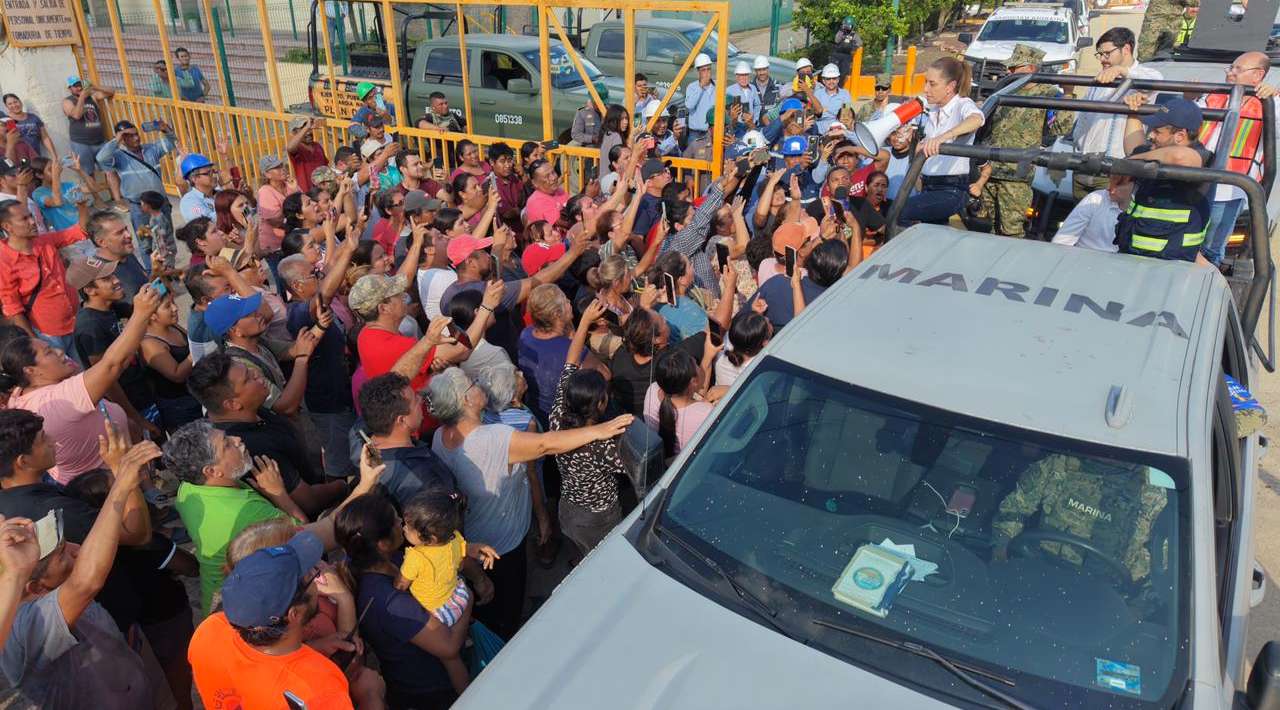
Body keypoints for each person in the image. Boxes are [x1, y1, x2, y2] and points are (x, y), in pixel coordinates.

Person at [0, 414, 198, 708]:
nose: (79, 551)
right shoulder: (32, 624)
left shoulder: (20, 510)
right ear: (36, 587)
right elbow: (103, 566)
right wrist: (121, 477)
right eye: (62, 555)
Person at [428, 367, 632, 638]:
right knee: (507, 608)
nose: (479, 384)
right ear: (466, 400)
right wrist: (599, 430)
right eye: (472, 384)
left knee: (492, 605)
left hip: (474, 537)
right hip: (502, 547)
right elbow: (545, 445)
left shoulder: (440, 436)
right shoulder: (494, 438)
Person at [187, 530, 378, 709]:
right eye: (311, 576)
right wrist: (370, 696)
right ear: (294, 614)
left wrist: (315, 648)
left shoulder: (208, 630)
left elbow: (257, 667)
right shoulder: (319, 687)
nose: (315, 575)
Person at [336, 493, 470, 708]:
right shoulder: (390, 602)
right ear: (382, 544)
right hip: (429, 690)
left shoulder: (392, 561)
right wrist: (466, 597)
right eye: (396, 520)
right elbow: (448, 647)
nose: (402, 522)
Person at [186, 350, 350, 519]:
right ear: (233, 404)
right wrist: (343, 486)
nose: (257, 374)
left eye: (250, 370)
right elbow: (308, 501)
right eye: (248, 379)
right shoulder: (246, 447)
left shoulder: (249, 409)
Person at [992, 453, 1168, 583]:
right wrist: (1001, 550)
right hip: (1038, 573)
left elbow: (1160, 567)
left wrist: (1135, 602)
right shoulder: (1058, 466)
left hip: (1102, 597)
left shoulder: (1152, 498)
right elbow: (1014, 509)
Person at [551, 300, 632, 558]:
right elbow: (636, 467)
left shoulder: (558, 414)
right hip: (600, 515)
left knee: (578, 553)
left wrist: (585, 321)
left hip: (568, 506)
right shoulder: (604, 444)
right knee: (602, 559)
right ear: (600, 403)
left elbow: (571, 361)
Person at [396, 489, 498, 694]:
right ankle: (464, 639)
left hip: (439, 612)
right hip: (458, 596)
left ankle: (466, 695)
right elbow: (466, 552)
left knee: (450, 659)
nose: (403, 528)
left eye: (408, 527)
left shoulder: (416, 558)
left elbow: (400, 585)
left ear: (429, 537)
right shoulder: (454, 538)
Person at [976, 44, 1073, 239]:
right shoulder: (1006, 88)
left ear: (1031, 68)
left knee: (1011, 231)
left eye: (1014, 68)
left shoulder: (1048, 94)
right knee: (986, 228)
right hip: (989, 169)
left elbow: (1061, 128)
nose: (1008, 72)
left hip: (1016, 174)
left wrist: (1069, 95)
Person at [441, 228, 585, 359]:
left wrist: (498, 246)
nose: (487, 255)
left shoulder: (447, 295)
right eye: (483, 253)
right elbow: (538, 281)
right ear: (471, 262)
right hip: (503, 359)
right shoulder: (488, 293)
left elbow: (494, 276)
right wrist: (573, 252)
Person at [1193, 51, 1275, 264]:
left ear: (1258, 75)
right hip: (1197, 181)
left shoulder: (1269, 103)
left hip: (1230, 190)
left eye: (1237, 69)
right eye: (1230, 68)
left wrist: (1272, 97)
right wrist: (1187, 97)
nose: (1230, 73)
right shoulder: (1213, 95)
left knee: (1211, 248)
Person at [1115, 95, 1213, 262]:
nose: (1150, 135)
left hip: (1173, 264)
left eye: (1157, 131)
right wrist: (1133, 112)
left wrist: (1129, 162)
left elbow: (1181, 157)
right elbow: (1134, 148)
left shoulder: (1200, 155)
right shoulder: (1155, 151)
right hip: (1134, 255)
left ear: (1180, 136)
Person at [1070, 28, 1163, 199]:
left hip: (1115, 171)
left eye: (1107, 54)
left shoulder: (1141, 76)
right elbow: (1083, 119)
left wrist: (1122, 71)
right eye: (1100, 55)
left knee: (1110, 221)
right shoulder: (1099, 80)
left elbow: (1155, 80)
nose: (1103, 60)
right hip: (1083, 167)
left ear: (1126, 49)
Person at [68, 254, 156, 433]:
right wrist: (136, 419)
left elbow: (147, 311)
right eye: (107, 279)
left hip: (144, 391)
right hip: (132, 405)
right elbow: (108, 381)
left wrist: (156, 275)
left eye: (114, 275)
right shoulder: (89, 327)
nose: (117, 280)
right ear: (90, 290)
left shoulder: (112, 307)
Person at [896, 57, 985, 226]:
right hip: (929, 185)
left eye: (932, 84)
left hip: (952, 188)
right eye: (925, 83)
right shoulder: (934, 110)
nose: (925, 89)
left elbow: (977, 119)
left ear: (950, 87)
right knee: (934, 231)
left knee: (900, 211)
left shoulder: (962, 104)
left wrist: (943, 137)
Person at [352, 372, 458, 506]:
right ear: (402, 420)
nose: (421, 399)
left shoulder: (358, 437)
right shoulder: (425, 480)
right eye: (415, 401)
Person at [0, 198, 90, 351]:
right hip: (48, 335)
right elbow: (13, 309)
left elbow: (81, 231)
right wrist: (37, 344)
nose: (32, 221)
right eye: (24, 219)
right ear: (7, 227)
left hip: (75, 321)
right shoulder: (4, 261)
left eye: (31, 216)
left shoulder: (45, 240)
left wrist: (82, 207)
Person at [95, 120, 175, 230]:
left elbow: (172, 143)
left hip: (160, 204)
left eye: (136, 134)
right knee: (146, 243)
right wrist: (116, 140)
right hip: (139, 208)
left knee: (167, 240)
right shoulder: (118, 156)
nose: (136, 138)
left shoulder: (151, 149)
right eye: (130, 136)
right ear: (122, 139)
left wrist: (166, 129)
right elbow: (101, 158)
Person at [140, 289, 201, 432]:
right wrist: (197, 350)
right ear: (152, 315)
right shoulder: (149, 343)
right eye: (168, 306)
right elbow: (177, 375)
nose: (175, 308)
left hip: (196, 394)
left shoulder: (172, 325)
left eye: (173, 302)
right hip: (180, 407)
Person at [1051, 175, 1134, 252]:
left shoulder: (1143, 210)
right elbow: (1061, 242)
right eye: (1110, 181)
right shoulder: (1094, 199)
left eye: (1119, 185)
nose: (1111, 189)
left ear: (1134, 185)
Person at [86, 209, 150, 302]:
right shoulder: (98, 274)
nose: (129, 235)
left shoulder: (125, 253)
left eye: (126, 229)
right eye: (119, 233)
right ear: (101, 242)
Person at [62, 77, 113, 177]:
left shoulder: (92, 97)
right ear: (70, 89)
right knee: (88, 175)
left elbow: (111, 92)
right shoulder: (67, 102)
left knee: (110, 171)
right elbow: (77, 115)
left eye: (80, 84)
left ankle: (116, 193)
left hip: (100, 141)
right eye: (75, 86)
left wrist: (94, 86)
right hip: (81, 143)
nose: (79, 88)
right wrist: (81, 98)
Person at [2, 95, 55, 159]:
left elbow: (45, 137)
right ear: (6, 106)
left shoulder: (33, 117)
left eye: (15, 102)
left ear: (20, 102)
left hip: (37, 158)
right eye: (10, 104)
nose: (14, 105)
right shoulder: (8, 120)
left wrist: (54, 156)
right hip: (21, 160)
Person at [287, 117, 330, 193]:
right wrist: (307, 127)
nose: (308, 132)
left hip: (322, 191)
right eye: (303, 129)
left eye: (309, 129)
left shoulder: (317, 146)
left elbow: (325, 167)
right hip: (307, 192)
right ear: (294, 133)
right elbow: (290, 148)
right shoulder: (298, 148)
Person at [808, 64, 853, 134]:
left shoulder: (845, 94)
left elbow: (845, 113)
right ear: (823, 80)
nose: (831, 81)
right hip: (818, 128)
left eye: (834, 78)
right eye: (828, 79)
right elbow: (814, 112)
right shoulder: (817, 94)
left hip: (838, 127)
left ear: (838, 79)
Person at [685, 54, 717, 143]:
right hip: (696, 134)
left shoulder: (718, 85)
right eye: (703, 70)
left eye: (708, 69)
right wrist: (701, 86)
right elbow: (689, 105)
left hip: (713, 132)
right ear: (698, 71)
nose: (706, 73)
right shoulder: (692, 87)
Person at [598, 104, 631, 186]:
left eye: (626, 118)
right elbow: (622, 162)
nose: (626, 122)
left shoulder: (607, 134)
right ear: (614, 120)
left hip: (603, 180)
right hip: (613, 182)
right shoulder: (616, 137)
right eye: (622, 119)